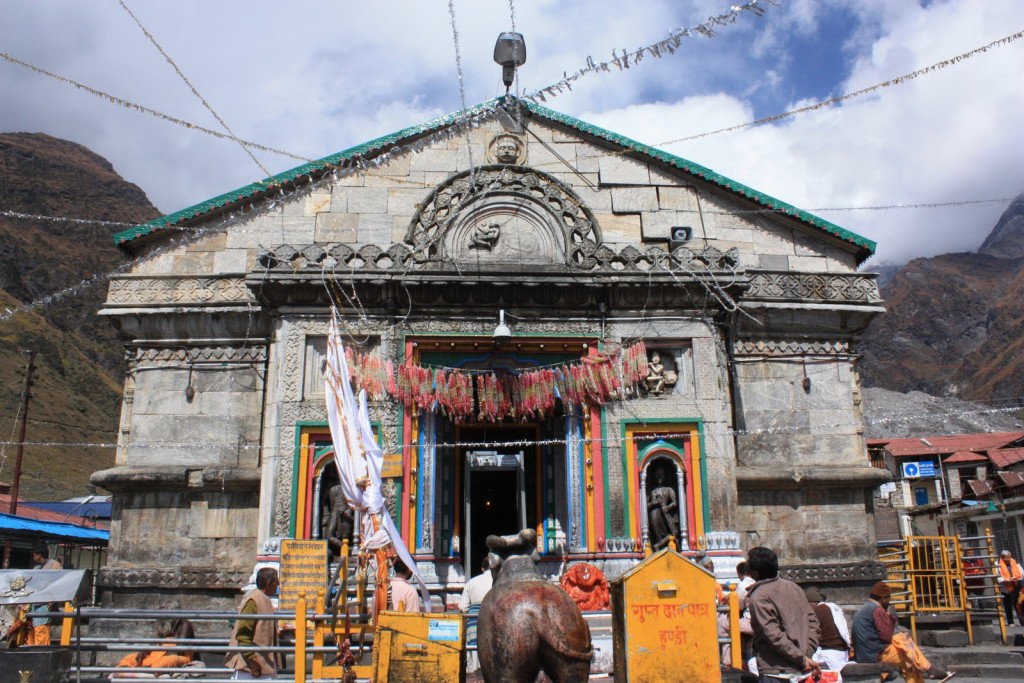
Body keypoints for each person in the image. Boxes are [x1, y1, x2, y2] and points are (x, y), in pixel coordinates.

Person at [851, 581, 953, 683]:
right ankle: (929, 668)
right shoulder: (877, 610)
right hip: (874, 654)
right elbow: (886, 637)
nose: (889, 601)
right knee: (907, 653)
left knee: (906, 651)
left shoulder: (864, 609)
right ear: (883, 598)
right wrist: (890, 617)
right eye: (888, 598)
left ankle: (929, 669)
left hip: (865, 653)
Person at [744, 546, 821, 681]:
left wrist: (802, 658)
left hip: (776, 670)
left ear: (754, 573)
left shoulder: (759, 597)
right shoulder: (794, 587)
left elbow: (773, 636)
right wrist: (805, 654)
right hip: (800, 668)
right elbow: (813, 624)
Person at [226, 568, 280, 679]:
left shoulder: (264, 599)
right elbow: (243, 634)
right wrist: (252, 661)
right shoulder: (253, 600)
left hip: (264, 663)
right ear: (269, 582)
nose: (278, 584)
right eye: (276, 581)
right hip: (250, 667)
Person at [113, 618, 203, 678]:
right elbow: (156, 640)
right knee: (130, 658)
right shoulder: (165, 628)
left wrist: (164, 649)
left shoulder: (184, 624)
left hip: (177, 655)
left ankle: (144, 673)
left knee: (161, 663)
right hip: (160, 651)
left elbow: (180, 649)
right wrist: (146, 650)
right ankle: (135, 671)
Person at [459, 556, 494, 673]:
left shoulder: (471, 582)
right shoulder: (500, 581)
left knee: (474, 648)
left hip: (474, 619)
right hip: (494, 616)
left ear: (482, 569)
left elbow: (462, 607)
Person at [26, 541, 63, 646]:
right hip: (35, 603)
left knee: (41, 629)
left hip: (46, 604)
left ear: (39, 555)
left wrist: (53, 600)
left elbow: (60, 584)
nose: (33, 557)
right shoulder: (37, 568)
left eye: (34, 555)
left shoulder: (54, 565)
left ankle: (41, 651)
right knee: (32, 630)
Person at [805, 587, 850, 672]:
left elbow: (811, 633)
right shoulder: (831, 609)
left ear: (813, 603)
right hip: (841, 653)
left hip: (828, 653)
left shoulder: (819, 610)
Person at [646, 467, 680, 550]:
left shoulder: (669, 489)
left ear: (665, 476)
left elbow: (674, 502)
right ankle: (659, 543)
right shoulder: (651, 491)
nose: (659, 477)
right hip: (655, 515)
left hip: (667, 515)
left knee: (673, 533)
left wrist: (667, 507)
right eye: (657, 475)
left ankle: (660, 544)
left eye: (661, 475)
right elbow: (646, 506)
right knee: (654, 515)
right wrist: (654, 503)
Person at [997, 549, 1022, 625]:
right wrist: (1005, 580)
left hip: (1016, 586)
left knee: (1018, 604)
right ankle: (1011, 622)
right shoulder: (997, 564)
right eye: (1006, 558)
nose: (1008, 560)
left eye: (1009, 558)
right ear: (1002, 557)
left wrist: (1018, 577)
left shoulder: (1014, 561)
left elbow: (1021, 572)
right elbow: (997, 577)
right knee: (1008, 605)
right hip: (1005, 587)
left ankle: (1022, 621)